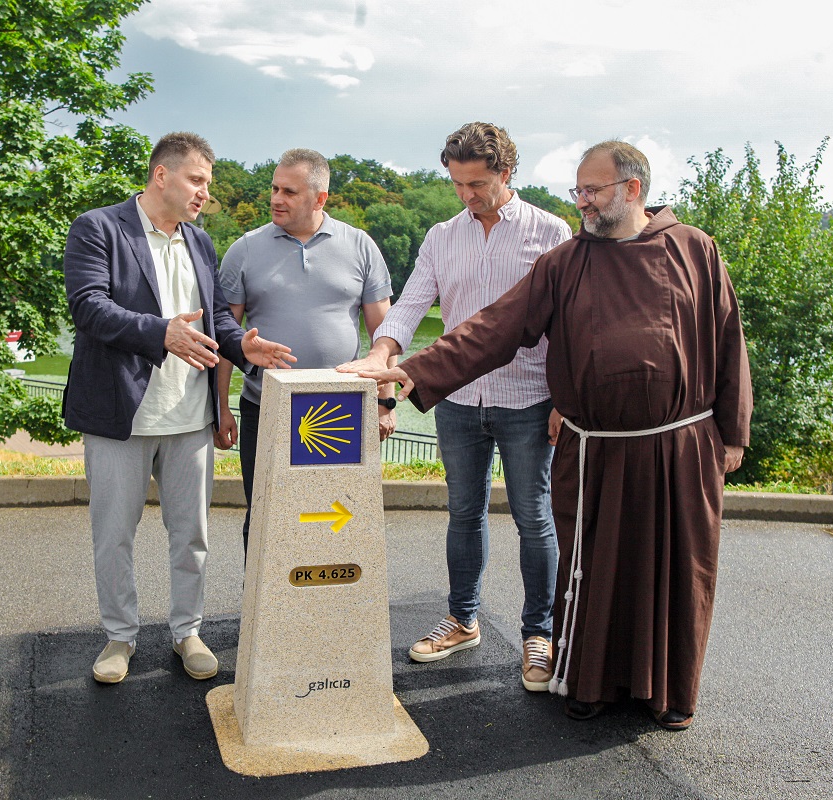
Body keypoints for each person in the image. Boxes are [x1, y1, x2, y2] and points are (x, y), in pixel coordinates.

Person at [357, 140, 752, 730]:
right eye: (578, 191)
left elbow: (728, 342)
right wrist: (410, 369)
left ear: (633, 189)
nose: (582, 203)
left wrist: (734, 433)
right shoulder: (567, 261)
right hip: (595, 448)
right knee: (589, 567)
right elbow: (495, 328)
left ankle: (668, 694)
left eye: (592, 192)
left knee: (674, 567)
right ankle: (591, 681)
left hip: (678, 445)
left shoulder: (694, 249)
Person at [339, 122, 569, 693]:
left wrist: (566, 400)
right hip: (458, 401)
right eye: (457, 184)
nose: (467, 195)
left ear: (506, 173)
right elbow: (411, 303)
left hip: (527, 396)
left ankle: (539, 634)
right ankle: (462, 620)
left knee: (534, 517)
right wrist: (382, 355)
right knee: (463, 513)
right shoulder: (442, 236)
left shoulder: (550, 231)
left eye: (477, 184)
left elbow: (569, 324)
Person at [63, 132, 295, 686]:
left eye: (207, 184)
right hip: (121, 413)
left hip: (190, 418)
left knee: (191, 534)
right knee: (114, 533)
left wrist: (243, 348)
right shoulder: (99, 228)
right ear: (160, 175)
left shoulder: (201, 242)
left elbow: (216, 323)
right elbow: (89, 307)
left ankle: (186, 630)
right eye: (197, 180)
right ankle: (120, 636)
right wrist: (160, 333)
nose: (203, 193)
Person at [215, 148, 397, 556]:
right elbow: (225, 335)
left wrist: (386, 401)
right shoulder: (244, 250)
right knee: (263, 516)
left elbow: (384, 332)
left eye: (290, 191)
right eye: (274, 188)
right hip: (265, 408)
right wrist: (220, 407)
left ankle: (322, 613)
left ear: (320, 198)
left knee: (336, 514)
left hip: (341, 411)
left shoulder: (361, 246)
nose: (276, 198)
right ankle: (263, 617)